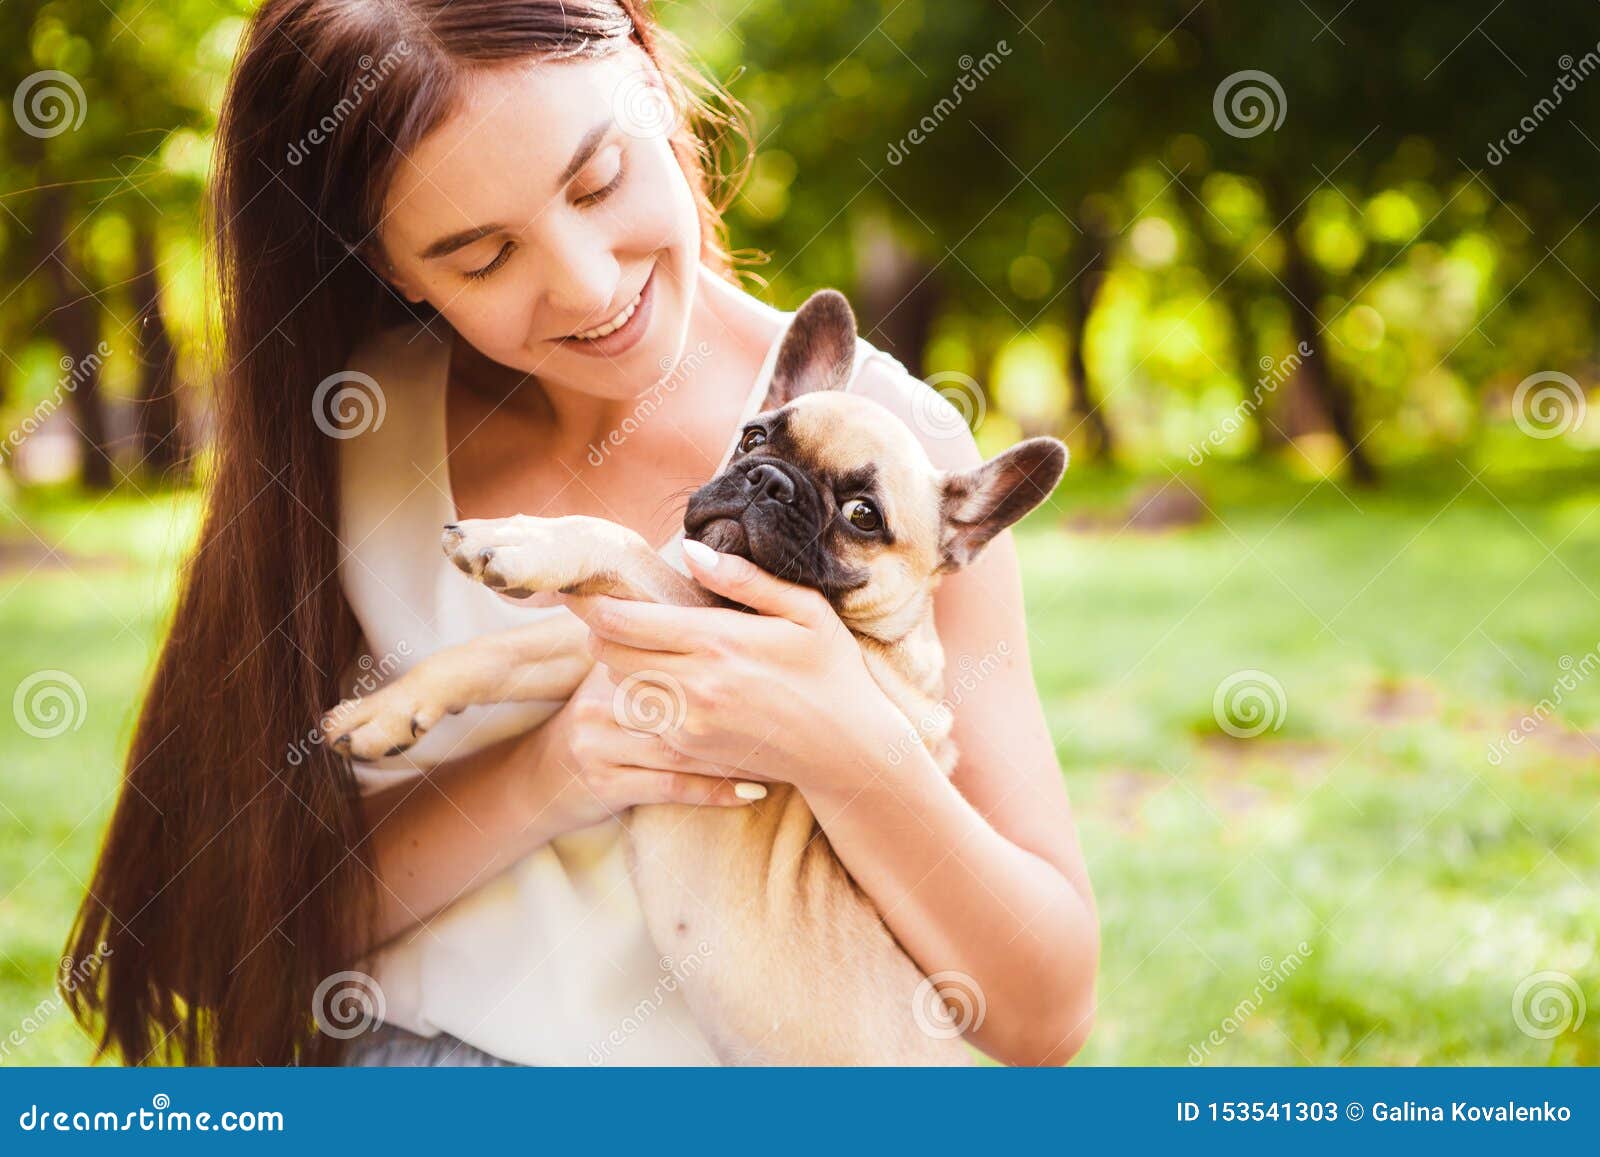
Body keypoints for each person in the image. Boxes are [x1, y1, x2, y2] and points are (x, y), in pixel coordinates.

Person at [66, 0, 1097, 1067]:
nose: (589, 285)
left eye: (598, 181)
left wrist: (845, 742)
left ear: (653, 90)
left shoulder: (910, 468)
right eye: (478, 255)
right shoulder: (344, 426)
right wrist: (555, 768)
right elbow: (215, 941)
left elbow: (1043, 1012)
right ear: (388, 267)